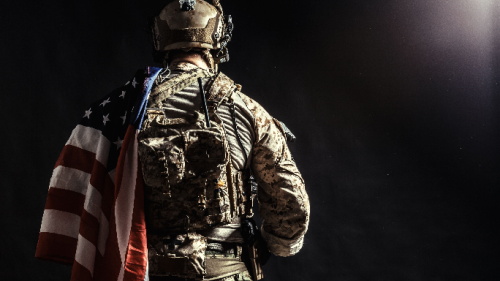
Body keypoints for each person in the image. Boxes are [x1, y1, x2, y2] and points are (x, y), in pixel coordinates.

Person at [36, 1, 310, 280]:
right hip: (225, 271)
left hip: (140, 270)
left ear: (160, 39)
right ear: (217, 38)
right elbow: (291, 204)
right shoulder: (247, 111)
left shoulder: (125, 108)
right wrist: (272, 245)